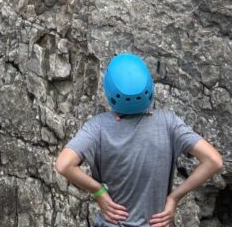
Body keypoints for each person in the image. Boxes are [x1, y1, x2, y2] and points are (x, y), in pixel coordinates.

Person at [55, 53, 223, 227]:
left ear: (110, 92)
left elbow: (64, 164)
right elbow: (214, 161)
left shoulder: (97, 127)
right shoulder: (168, 123)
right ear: (149, 88)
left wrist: (98, 191)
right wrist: (174, 197)